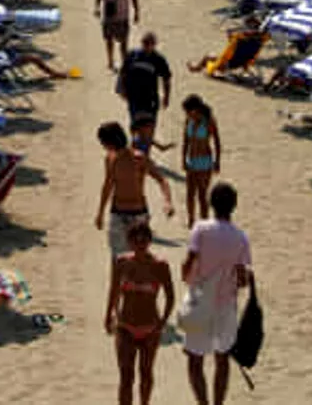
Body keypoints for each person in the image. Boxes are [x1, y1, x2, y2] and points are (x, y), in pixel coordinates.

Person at [182, 183, 251, 405]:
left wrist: (189, 277)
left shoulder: (200, 228)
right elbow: (242, 279)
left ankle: (203, 403)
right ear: (235, 206)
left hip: (199, 301)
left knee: (195, 359)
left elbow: (189, 262)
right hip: (225, 305)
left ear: (211, 203)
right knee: (222, 359)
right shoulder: (241, 237)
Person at [105, 222, 175, 405]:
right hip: (125, 326)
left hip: (150, 328)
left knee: (146, 374)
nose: (140, 245)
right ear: (129, 242)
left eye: (144, 241)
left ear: (150, 241)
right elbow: (113, 291)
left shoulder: (160, 266)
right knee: (126, 377)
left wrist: (162, 322)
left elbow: (170, 296)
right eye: (136, 241)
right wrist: (108, 316)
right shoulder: (121, 262)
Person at [95, 122, 175, 256]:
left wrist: (168, 201)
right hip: (118, 213)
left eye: (102, 142)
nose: (103, 146)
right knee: (118, 259)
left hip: (138, 215)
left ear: (109, 142)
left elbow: (161, 180)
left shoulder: (139, 158)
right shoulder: (110, 159)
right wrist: (100, 213)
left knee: (139, 258)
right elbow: (107, 186)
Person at [181, 95, 221, 228]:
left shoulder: (209, 121)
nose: (187, 114)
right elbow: (185, 140)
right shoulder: (188, 120)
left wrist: (217, 161)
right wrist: (183, 158)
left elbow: (216, 141)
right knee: (189, 193)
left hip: (205, 161)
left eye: (188, 111)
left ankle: (204, 222)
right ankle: (191, 220)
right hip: (192, 160)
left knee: (202, 195)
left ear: (196, 109)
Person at [96, 0, 139, 70]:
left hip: (123, 16)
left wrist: (136, 12)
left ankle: (124, 62)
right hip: (109, 14)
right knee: (109, 40)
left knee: (123, 42)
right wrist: (96, 8)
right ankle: (110, 60)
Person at [118, 33, 171, 123]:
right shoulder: (132, 55)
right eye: (144, 43)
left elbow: (166, 79)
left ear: (154, 45)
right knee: (135, 122)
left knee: (150, 122)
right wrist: (123, 89)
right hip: (134, 95)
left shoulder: (159, 59)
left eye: (149, 43)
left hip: (150, 96)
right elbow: (123, 73)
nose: (146, 46)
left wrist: (166, 97)